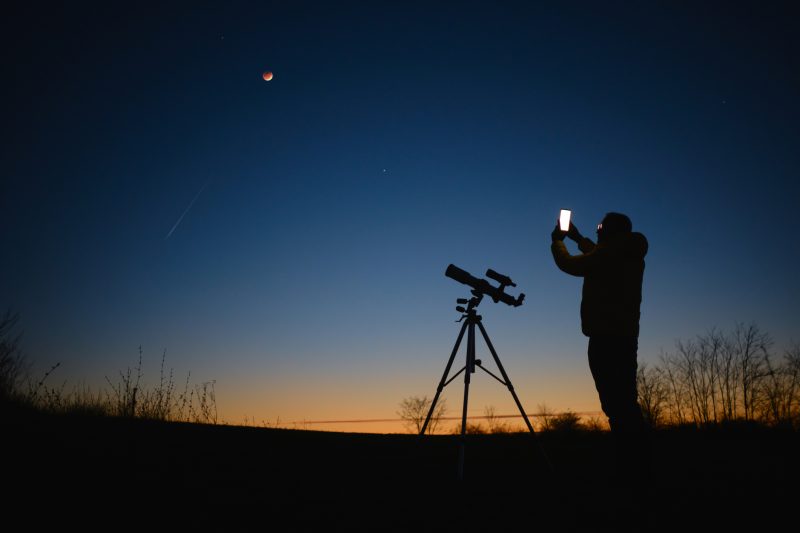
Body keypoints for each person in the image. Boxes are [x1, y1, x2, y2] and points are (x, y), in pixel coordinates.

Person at [550, 212, 652, 525]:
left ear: (612, 230)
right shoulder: (623, 251)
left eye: (601, 227)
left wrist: (557, 242)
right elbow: (597, 254)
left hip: (608, 339)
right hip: (620, 337)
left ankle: (631, 473)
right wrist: (580, 237)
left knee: (617, 405)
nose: (598, 230)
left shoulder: (612, 254)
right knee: (623, 404)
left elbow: (573, 265)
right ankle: (634, 467)